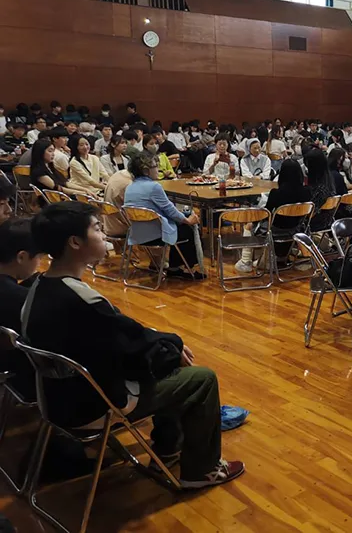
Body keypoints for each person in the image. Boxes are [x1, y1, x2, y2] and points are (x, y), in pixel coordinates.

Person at [22, 201, 243, 488]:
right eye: (98, 229)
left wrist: (162, 345)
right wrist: (172, 345)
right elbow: (132, 347)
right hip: (94, 404)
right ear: (75, 242)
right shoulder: (82, 301)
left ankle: (169, 450)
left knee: (164, 356)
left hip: (55, 400)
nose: (104, 235)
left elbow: (125, 337)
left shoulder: (37, 287)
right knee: (200, 378)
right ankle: (202, 470)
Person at [124, 153, 204, 280]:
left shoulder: (130, 187)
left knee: (184, 215)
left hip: (138, 232)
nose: (159, 169)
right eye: (156, 166)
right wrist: (188, 220)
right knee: (188, 227)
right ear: (146, 171)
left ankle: (171, 266)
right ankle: (180, 268)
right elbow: (170, 210)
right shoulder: (154, 187)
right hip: (156, 234)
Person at [0, 218, 41, 400]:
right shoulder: (20, 298)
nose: (39, 262)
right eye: (39, 257)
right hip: (23, 375)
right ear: (21, 257)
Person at [30, 138, 97, 200]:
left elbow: (66, 183)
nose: (53, 154)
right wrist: (83, 193)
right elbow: (59, 189)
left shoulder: (50, 167)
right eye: (50, 151)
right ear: (40, 152)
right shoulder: (38, 172)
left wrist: (85, 190)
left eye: (53, 151)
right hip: (53, 201)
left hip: (61, 198)